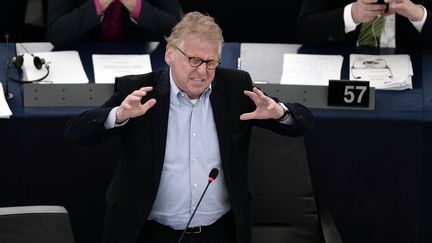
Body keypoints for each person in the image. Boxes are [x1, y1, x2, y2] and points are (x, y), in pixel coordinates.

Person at [65, 11, 314, 243]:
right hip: (147, 232)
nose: (202, 72)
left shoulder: (236, 87)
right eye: (194, 60)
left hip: (219, 232)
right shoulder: (139, 91)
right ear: (170, 54)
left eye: (211, 62)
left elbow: (302, 123)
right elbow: (75, 132)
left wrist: (280, 112)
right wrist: (118, 115)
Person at [297, 0, 432, 48]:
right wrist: (352, 15)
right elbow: (304, 29)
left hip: (413, 68)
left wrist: (419, 16)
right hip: (342, 64)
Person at [47, 0, 182, 47]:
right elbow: (56, 33)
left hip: (139, 58)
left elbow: (177, 32)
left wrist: (136, 7)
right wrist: (98, 5)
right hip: (81, 57)